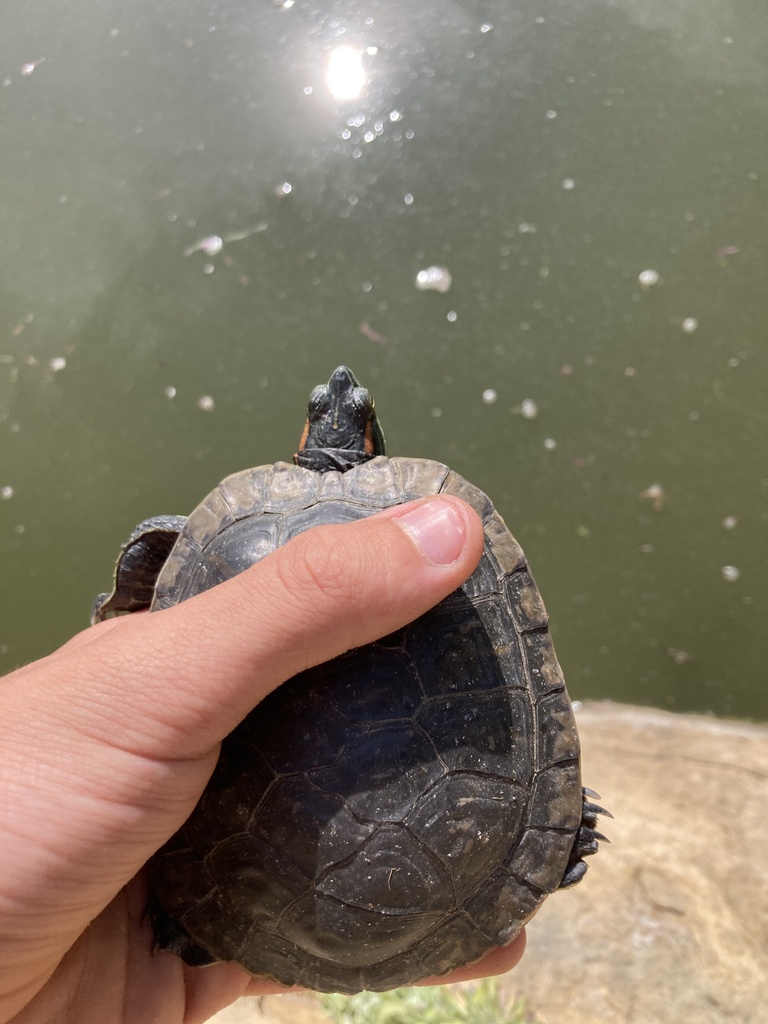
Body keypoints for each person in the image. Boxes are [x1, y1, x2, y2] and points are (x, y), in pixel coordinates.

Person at [0, 496, 526, 1024]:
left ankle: (189, 924)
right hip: (451, 867)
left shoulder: (233, 527)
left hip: (229, 903)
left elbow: (157, 555)